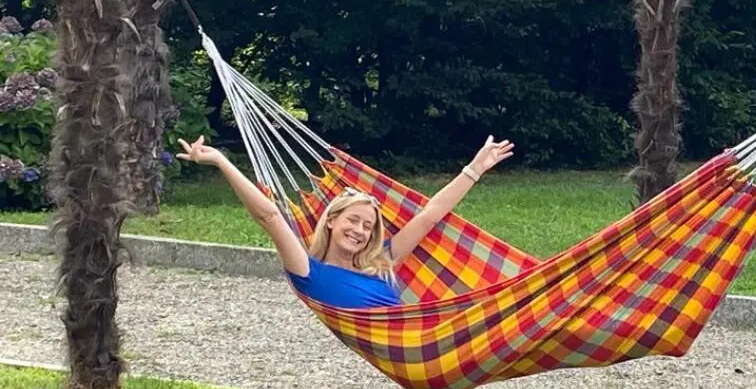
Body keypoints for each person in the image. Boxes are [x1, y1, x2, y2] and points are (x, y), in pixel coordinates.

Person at [176, 134, 514, 308]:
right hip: (406, 352)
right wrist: (221, 160)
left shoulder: (383, 261)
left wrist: (475, 168)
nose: (360, 231)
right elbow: (269, 215)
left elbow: (429, 216)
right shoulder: (308, 270)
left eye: (368, 227)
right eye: (354, 221)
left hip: (420, 339)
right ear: (332, 221)